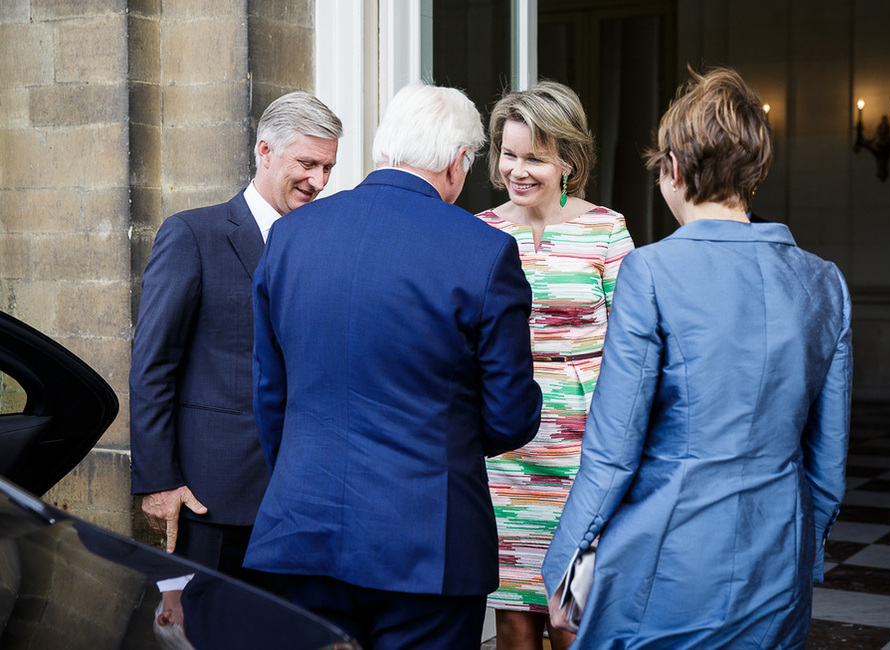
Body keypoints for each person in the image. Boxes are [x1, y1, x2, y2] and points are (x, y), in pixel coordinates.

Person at [543, 67, 852, 648]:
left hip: (668, 563)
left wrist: (562, 567)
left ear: (675, 170)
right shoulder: (824, 283)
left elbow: (612, 453)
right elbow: (827, 471)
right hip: (779, 563)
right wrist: (797, 562)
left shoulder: (651, 272)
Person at [243, 82, 543, 650]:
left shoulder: (289, 236)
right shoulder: (483, 250)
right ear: (458, 163)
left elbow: (270, 396)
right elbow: (509, 419)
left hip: (303, 528)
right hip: (427, 542)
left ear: (385, 150)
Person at [129, 91, 343, 584]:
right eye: (308, 163)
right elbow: (153, 366)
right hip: (211, 500)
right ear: (264, 152)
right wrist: (160, 480)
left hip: (303, 498)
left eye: (328, 168)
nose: (319, 181)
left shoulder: (323, 245)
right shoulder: (192, 234)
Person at [476, 81, 634, 650]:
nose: (517, 169)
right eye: (509, 154)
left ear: (568, 159)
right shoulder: (481, 230)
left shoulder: (606, 228)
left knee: (574, 618)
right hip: (505, 456)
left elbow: (632, 348)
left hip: (584, 458)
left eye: (535, 158)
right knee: (515, 622)